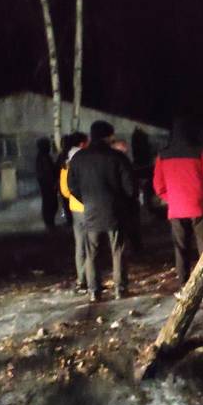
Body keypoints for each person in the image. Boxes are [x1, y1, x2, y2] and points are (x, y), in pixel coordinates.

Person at [68, 120, 136, 302]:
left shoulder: (79, 158)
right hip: (115, 212)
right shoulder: (118, 157)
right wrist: (124, 202)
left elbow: (72, 186)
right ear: (109, 136)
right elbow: (130, 187)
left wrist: (86, 200)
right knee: (118, 250)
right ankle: (120, 289)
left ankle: (94, 291)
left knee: (92, 253)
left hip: (90, 212)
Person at [153, 118, 203, 301]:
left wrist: (172, 199)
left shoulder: (163, 155)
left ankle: (184, 286)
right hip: (200, 207)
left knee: (181, 249)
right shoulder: (202, 152)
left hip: (176, 209)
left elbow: (158, 186)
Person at [59, 132, 90, 293]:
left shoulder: (66, 161)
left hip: (75, 207)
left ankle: (81, 279)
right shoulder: (84, 159)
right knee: (91, 245)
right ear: (82, 144)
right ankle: (90, 279)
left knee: (80, 245)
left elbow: (65, 190)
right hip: (89, 205)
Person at [35, 137, 58, 231]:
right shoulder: (44, 157)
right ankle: (50, 223)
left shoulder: (42, 156)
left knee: (48, 203)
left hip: (45, 184)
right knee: (50, 203)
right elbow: (48, 171)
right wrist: (53, 182)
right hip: (47, 185)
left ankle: (49, 222)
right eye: (48, 145)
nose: (49, 147)